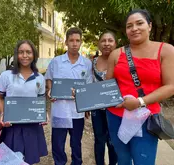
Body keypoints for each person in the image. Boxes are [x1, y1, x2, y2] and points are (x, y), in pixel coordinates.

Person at [106, 9, 174, 165]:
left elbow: (171, 86)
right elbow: (107, 87)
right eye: (129, 26)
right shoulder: (116, 54)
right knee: (122, 159)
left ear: (149, 26)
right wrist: (83, 95)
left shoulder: (166, 50)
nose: (134, 28)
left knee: (144, 160)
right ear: (126, 31)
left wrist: (140, 102)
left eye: (139, 23)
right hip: (116, 116)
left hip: (146, 117)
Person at [0, 40, 48, 164]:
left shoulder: (39, 77)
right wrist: (4, 113)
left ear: (34, 55)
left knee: (29, 159)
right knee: (11, 160)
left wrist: (44, 113)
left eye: (28, 52)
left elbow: (40, 100)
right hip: (12, 125)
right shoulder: (6, 75)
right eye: (21, 52)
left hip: (32, 125)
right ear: (16, 55)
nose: (25, 56)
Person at [45, 27, 93, 165]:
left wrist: (87, 106)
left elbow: (88, 87)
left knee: (76, 143)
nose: (74, 43)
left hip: (77, 112)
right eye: (71, 40)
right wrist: (50, 90)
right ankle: (60, 163)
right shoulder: (56, 61)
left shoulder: (86, 63)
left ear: (81, 42)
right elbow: (49, 78)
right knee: (58, 144)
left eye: (77, 40)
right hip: (60, 110)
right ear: (66, 42)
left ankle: (76, 162)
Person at [91, 31, 117, 165]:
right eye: (103, 40)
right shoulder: (93, 62)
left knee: (113, 141)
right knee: (99, 140)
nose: (107, 43)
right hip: (97, 109)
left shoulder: (121, 61)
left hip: (116, 109)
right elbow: (88, 84)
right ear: (99, 44)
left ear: (115, 43)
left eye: (110, 40)